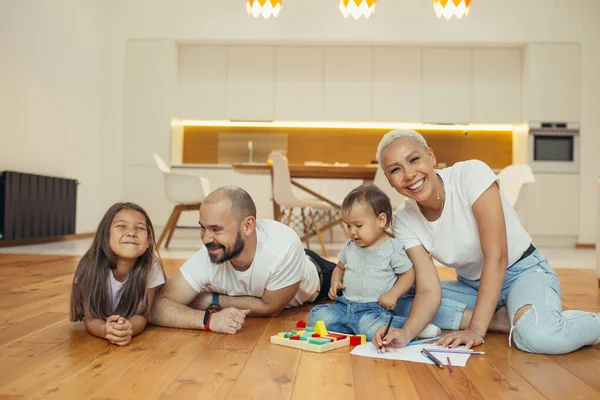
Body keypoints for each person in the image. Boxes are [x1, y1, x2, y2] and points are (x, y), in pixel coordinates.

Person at [372, 129, 600, 354]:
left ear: (431, 156)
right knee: (399, 298)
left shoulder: (471, 174)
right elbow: (428, 290)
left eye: (414, 160)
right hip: (472, 287)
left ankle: (522, 318)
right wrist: (406, 334)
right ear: (389, 179)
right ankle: (501, 319)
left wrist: (476, 329)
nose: (409, 174)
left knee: (540, 336)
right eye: (396, 170)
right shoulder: (404, 220)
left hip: (522, 273)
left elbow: (497, 256)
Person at [150, 186, 336, 334]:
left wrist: (211, 300)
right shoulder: (208, 253)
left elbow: (270, 307)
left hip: (321, 277)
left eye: (216, 229)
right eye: (203, 228)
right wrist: (209, 320)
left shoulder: (284, 247)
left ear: (248, 226)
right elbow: (158, 305)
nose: (206, 239)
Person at [308, 185, 441, 341]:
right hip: (344, 306)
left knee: (369, 325)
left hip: (374, 310)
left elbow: (408, 274)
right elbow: (339, 267)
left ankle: (416, 327)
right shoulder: (350, 246)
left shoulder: (392, 248)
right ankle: (355, 326)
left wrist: (393, 294)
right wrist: (335, 281)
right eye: (348, 226)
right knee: (317, 317)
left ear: (381, 220)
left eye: (358, 225)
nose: (352, 232)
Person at [70, 202, 166, 346]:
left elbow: (141, 315)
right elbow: (91, 319)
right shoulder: (88, 265)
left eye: (139, 228)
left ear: (149, 240)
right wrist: (105, 330)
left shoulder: (151, 266)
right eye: (121, 226)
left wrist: (129, 329)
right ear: (105, 235)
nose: (131, 233)